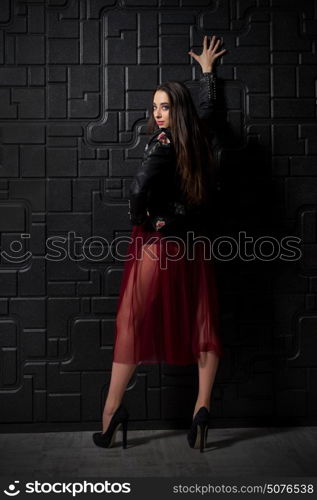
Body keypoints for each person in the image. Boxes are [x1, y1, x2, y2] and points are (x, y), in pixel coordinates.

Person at [93, 35, 227, 452]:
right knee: (204, 322)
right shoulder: (198, 135)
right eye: (154, 107)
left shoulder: (165, 143)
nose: (157, 114)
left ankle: (111, 411)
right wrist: (207, 74)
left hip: (159, 244)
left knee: (130, 321)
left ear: (176, 111)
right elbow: (208, 110)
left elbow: (138, 187)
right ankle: (202, 408)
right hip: (195, 244)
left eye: (164, 107)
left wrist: (143, 220)